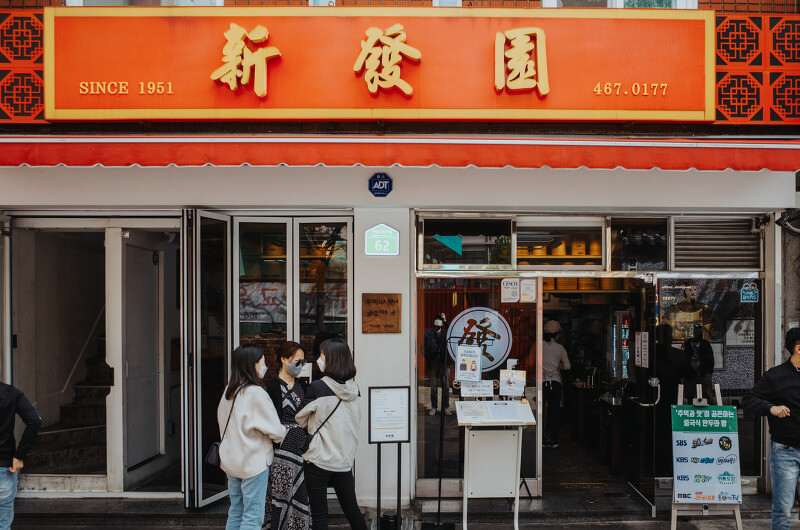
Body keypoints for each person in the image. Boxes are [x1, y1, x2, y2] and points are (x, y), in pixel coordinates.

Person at [296, 338, 367, 530]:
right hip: (344, 460)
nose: (320, 359)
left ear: (330, 359)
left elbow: (300, 418)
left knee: (319, 515)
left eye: (322, 355)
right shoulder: (355, 389)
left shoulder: (318, 388)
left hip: (319, 460)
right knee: (352, 510)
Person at [218, 344, 286, 530]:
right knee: (252, 516)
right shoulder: (256, 393)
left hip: (232, 461)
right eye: (262, 360)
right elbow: (276, 431)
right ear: (253, 364)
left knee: (236, 511)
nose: (265, 364)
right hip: (253, 462)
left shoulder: (228, 392)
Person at [742, 328, 800, 530]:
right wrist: (771, 408)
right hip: (785, 452)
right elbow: (748, 399)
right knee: (783, 510)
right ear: (798, 349)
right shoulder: (776, 376)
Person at [264, 341, 311, 530]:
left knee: (301, 492)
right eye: (297, 361)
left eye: (302, 362)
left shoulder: (303, 386)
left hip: (302, 448)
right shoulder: (272, 387)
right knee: (281, 493)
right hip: (281, 449)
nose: (300, 366)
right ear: (284, 359)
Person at [0, 381, 41, 529]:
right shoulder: (11, 393)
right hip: (3, 468)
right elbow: (35, 421)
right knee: (2, 525)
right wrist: (19, 456)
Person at [541, 319, 570, 449]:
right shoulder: (560, 348)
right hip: (556, 382)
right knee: (555, 411)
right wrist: (557, 365)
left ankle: (540, 439)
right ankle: (554, 440)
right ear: (557, 334)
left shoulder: (538, 345)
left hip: (542, 381)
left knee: (541, 411)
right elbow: (568, 366)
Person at [424, 313, 451, 416]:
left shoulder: (445, 334)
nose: (438, 324)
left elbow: (452, 330)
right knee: (433, 387)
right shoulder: (429, 334)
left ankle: (446, 407)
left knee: (446, 386)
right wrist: (430, 355)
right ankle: (434, 407)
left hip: (445, 363)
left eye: (440, 322)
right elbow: (423, 349)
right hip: (433, 364)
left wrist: (445, 320)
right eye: (437, 321)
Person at [682, 323, 715, 402]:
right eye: (695, 331)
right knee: (691, 394)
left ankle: (709, 411)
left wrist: (708, 372)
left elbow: (710, 359)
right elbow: (683, 358)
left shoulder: (705, 343)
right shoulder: (686, 344)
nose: (696, 333)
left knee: (707, 394)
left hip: (703, 373)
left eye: (698, 331)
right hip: (690, 374)